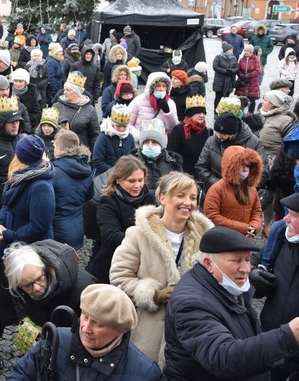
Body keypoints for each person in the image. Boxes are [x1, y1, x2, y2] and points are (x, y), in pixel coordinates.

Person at [164, 226, 299, 380]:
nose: (246, 269)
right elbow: (222, 358)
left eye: (248, 259)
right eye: (236, 260)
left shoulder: (228, 286)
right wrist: (289, 336)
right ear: (208, 264)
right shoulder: (191, 303)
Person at [110, 172, 213, 367]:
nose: (188, 203)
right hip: (146, 328)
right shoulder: (138, 234)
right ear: (163, 198)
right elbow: (119, 276)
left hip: (190, 329)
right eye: (180, 195)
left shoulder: (206, 239)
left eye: (193, 197)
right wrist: (152, 294)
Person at [0, 134, 56, 370]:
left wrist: (9, 235)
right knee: (1, 301)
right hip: (9, 249)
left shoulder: (41, 185)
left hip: (30, 253)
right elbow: (7, 206)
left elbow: (39, 227)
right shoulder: (20, 176)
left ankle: (36, 351)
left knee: (34, 302)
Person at [8, 284, 161, 380]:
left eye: (97, 324)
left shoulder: (146, 373)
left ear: (119, 331)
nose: (85, 328)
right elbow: (21, 373)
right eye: (85, 317)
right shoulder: (56, 339)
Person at [250, 193, 299, 379]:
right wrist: (254, 272)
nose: (285, 218)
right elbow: (254, 258)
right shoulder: (283, 238)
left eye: (293, 216)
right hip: (273, 337)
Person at [88, 156, 156, 284]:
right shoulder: (108, 202)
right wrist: (145, 241)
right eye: (131, 181)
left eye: (140, 180)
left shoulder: (151, 197)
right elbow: (111, 236)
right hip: (114, 263)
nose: (137, 185)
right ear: (118, 180)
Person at [2, 239, 94, 330]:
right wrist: (28, 323)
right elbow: (18, 299)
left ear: (45, 268)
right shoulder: (18, 283)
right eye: (27, 285)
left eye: (39, 279)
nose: (37, 288)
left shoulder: (84, 291)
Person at [196, 111, 267, 193]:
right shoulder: (211, 141)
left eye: (222, 133)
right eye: (217, 132)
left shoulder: (254, 142)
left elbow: (263, 171)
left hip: (242, 195)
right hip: (215, 191)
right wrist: (219, 185)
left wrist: (244, 189)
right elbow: (201, 167)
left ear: (233, 132)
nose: (218, 136)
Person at [203, 145, 263, 237]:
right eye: (240, 166)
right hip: (223, 239)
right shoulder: (217, 189)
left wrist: (253, 227)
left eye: (247, 166)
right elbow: (212, 215)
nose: (245, 170)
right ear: (231, 167)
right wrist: (244, 228)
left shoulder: (251, 189)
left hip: (245, 239)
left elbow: (257, 212)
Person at [51, 131, 94, 251]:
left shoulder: (54, 173)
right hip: (78, 229)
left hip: (57, 231)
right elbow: (90, 196)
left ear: (58, 149)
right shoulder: (86, 170)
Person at [130, 118, 183, 191]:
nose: (150, 146)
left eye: (154, 142)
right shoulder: (132, 162)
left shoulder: (172, 163)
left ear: (161, 145)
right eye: (146, 142)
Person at [128, 71, 179, 144]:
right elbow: (127, 124)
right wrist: (141, 137)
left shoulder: (170, 104)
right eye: (158, 86)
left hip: (159, 147)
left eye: (164, 86)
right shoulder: (138, 101)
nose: (161, 89)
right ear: (151, 87)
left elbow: (173, 129)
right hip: (139, 145)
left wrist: (167, 112)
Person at [53, 71, 100, 149]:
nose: (64, 92)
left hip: (80, 153)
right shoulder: (56, 106)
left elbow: (94, 136)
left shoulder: (89, 110)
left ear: (77, 92)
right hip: (59, 151)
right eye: (64, 89)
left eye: (68, 90)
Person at [168, 94, 212, 176]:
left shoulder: (208, 132)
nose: (202, 115)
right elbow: (172, 154)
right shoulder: (178, 130)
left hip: (203, 177)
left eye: (203, 113)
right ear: (190, 114)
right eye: (198, 112)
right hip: (183, 177)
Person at [93, 104, 135, 175]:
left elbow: (133, 158)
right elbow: (97, 161)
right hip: (106, 177)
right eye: (118, 126)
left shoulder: (130, 137)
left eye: (124, 126)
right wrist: (116, 172)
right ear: (112, 124)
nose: (121, 129)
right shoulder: (103, 138)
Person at [212, 42, 240, 114]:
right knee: (218, 97)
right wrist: (225, 71)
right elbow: (215, 67)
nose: (231, 51)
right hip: (219, 81)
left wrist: (231, 71)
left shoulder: (234, 58)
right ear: (225, 50)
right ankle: (216, 111)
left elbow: (237, 67)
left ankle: (223, 112)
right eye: (230, 50)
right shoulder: (218, 57)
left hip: (229, 82)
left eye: (232, 50)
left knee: (226, 97)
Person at [235, 45, 262, 112]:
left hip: (252, 82)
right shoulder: (241, 60)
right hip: (242, 81)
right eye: (245, 50)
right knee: (241, 99)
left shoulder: (256, 60)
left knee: (252, 99)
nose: (245, 52)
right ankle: (241, 113)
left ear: (251, 52)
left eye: (247, 51)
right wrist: (241, 76)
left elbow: (257, 70)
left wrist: (247, 76)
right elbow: (238, 69)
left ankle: (250, 113)